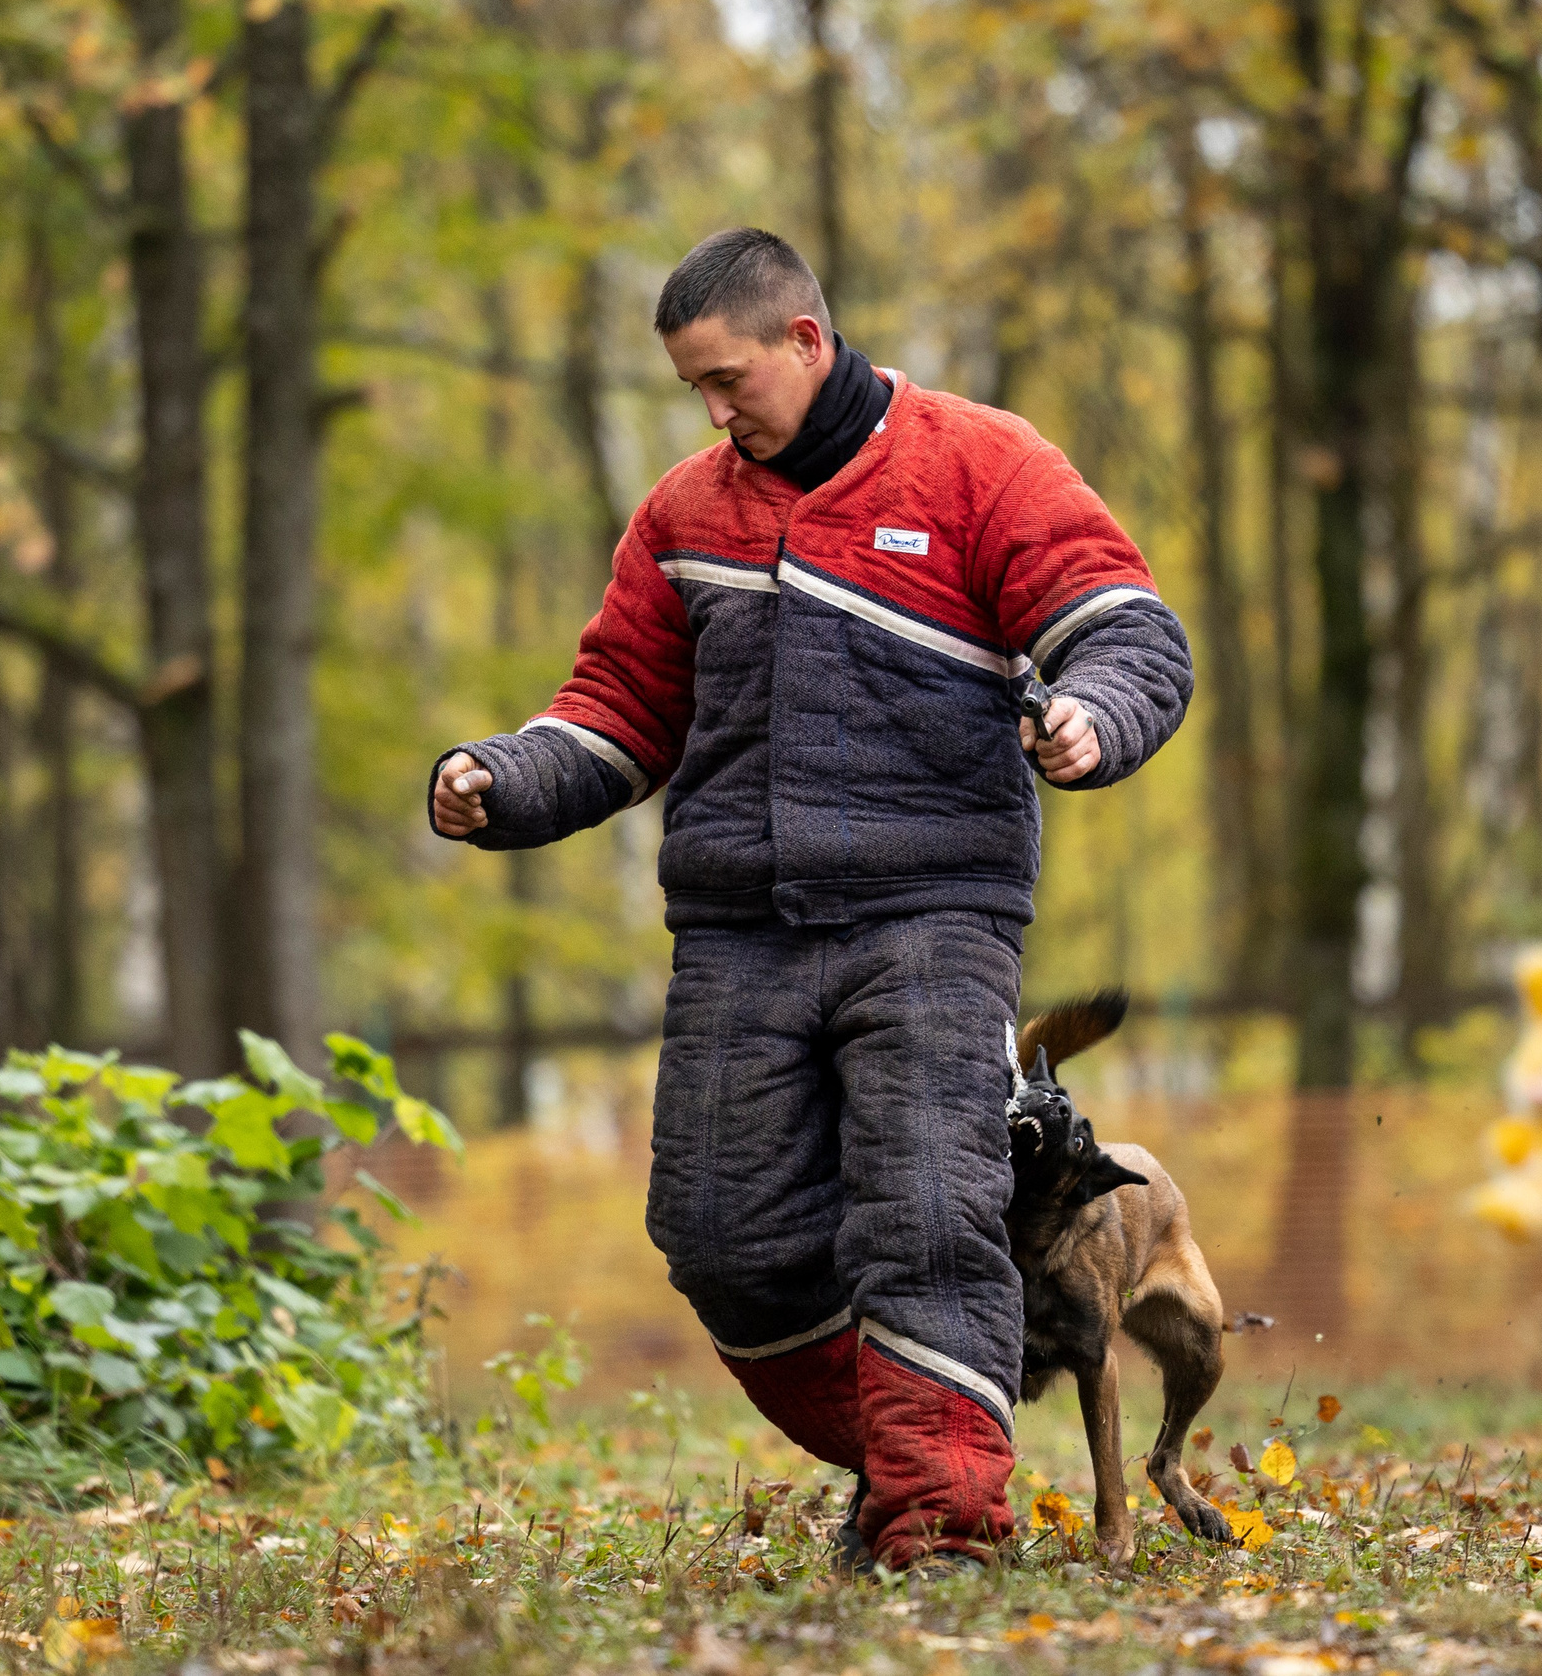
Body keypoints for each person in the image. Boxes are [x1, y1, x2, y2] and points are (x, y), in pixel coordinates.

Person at [426, 229, 1192, 1572]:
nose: (714, 414)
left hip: (933, 918)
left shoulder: (980, 465)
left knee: (928, 1211)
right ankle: (918, 1444)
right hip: (739, 933)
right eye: (692, 391)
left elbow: (1129, 630)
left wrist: (1092, 714)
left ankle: (940, 1520)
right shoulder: (683, 515)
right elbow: (616, 705)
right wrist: (503, 778)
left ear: (804, 339)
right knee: (718, 1232)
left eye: (728, 380)